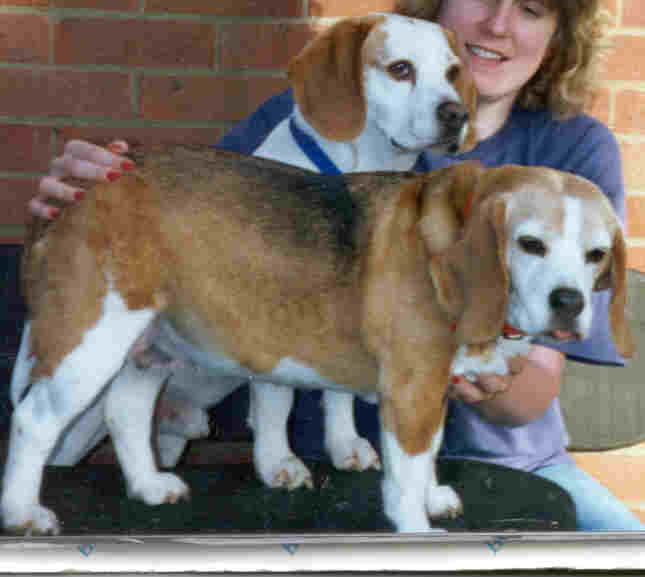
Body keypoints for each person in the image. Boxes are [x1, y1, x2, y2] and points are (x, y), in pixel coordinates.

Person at [27, 0, 645, 531]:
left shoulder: (571, 154)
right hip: (303, 467)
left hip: (508, 467)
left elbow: (531, 396)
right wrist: (96, 197)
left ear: (560, 36)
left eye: (533, 9)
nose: (500, 23)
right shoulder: (314, 115)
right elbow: (199, 221)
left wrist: (475, 358)